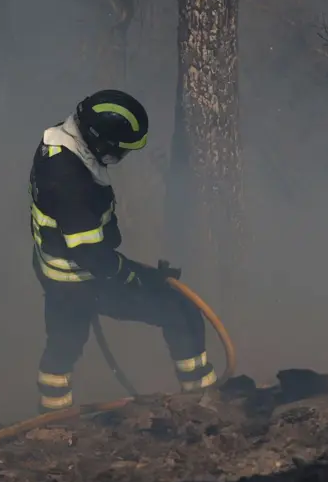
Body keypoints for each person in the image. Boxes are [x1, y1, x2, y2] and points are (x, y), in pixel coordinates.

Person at [27, 89, 216, 411]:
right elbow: (90, 255)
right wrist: (133, 276)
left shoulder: (58, 142)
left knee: (64, 344)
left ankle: (53, 416)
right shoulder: (69, 180)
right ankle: (202, 398)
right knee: (179, 309)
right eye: (119, 150)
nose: (120, 157)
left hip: (57, 272)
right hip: (83, 278)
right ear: (99, 140)